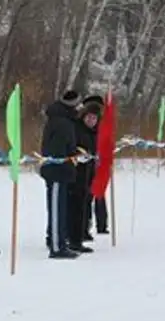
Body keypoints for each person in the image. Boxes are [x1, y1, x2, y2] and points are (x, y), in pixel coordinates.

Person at [40, 90, 80, 259]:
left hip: (61, 170)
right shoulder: (61, 122)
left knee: (60, 209)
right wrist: (66, 161)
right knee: (57, 209)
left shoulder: (64, 121)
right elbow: (57, 149)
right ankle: (57, 247)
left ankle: (57, 240)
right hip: (57, 171)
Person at [67, 101, 101, 253]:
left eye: (94, 118)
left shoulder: (95, 132)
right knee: (76, 205)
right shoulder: (77, 129)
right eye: (89, 117)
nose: (91, 121)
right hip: (76, 174)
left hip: (89, 172)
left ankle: (82, 233)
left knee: (85, 204)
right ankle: (74, 239)